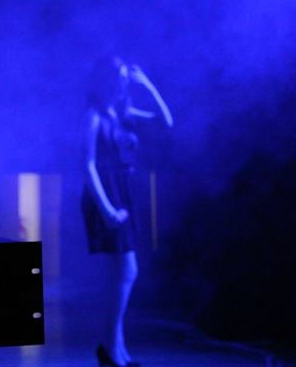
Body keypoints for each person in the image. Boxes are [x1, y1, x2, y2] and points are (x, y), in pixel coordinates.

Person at [83, 57, 173, 367]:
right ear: (101, 80)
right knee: (126, 271)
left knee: (120, 274)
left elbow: (166, 122)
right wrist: (106, 209)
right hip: (106, 194)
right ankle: (111, 348)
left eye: (122, 78)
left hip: (122, 192)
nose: (119, 83)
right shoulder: (93, 116)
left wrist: (147, 85)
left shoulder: (122, 113)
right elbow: (87, 165)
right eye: (114, 77)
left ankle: (115, 348)